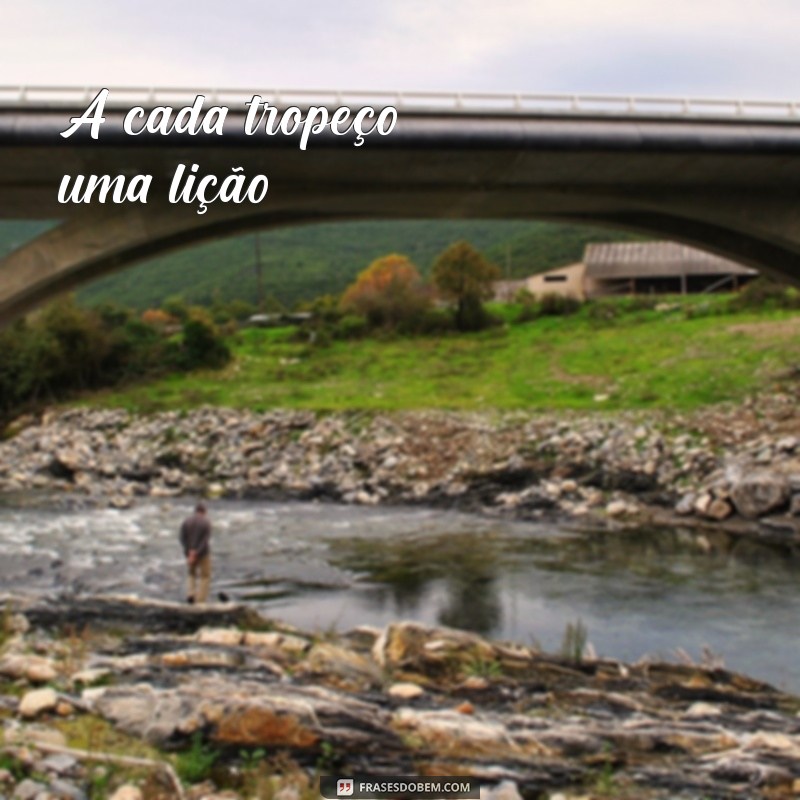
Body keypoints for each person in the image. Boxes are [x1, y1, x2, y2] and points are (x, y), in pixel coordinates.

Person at [180, 501, 212, 604]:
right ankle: (201, 599)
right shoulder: (206, 522)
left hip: (189, 552)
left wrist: (189, 551)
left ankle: (190, 594)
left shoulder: (186, 521)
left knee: (191, 574)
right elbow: (205, 540)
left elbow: (182, 538)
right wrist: (196, 552)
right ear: (204, 511)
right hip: (203, 553)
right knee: (205, 576)